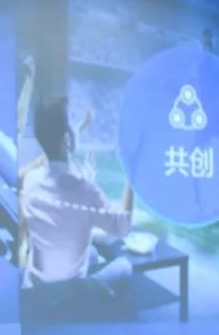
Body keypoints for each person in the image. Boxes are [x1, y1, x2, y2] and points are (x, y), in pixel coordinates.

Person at [20, 96, 134, 299]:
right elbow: (122, 226)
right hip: (71, 295)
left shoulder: (30, 180)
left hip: (35, 289)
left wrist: (79, 128)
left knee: (92, 254)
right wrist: (132, 173)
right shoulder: (86, 190)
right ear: (66, 139)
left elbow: (61, 201)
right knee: (124, 266)